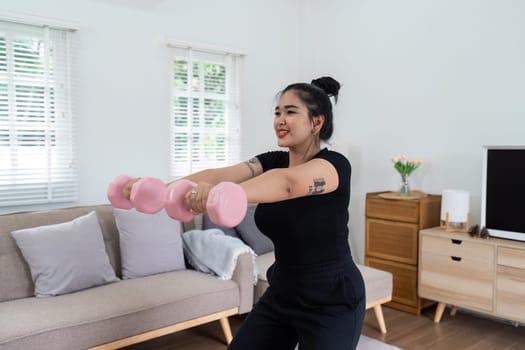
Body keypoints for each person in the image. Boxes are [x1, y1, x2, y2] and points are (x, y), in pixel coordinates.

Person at [126, 76, 365, 349]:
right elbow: (218, 175)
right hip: (284, 291)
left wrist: (226, 195)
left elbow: (288, 184)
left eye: (291, 112)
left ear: (317, 122)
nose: (280, 120)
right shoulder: (271, 160)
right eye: (277, 112)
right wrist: (158, 190)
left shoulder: (334, 165)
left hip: (332, 299)